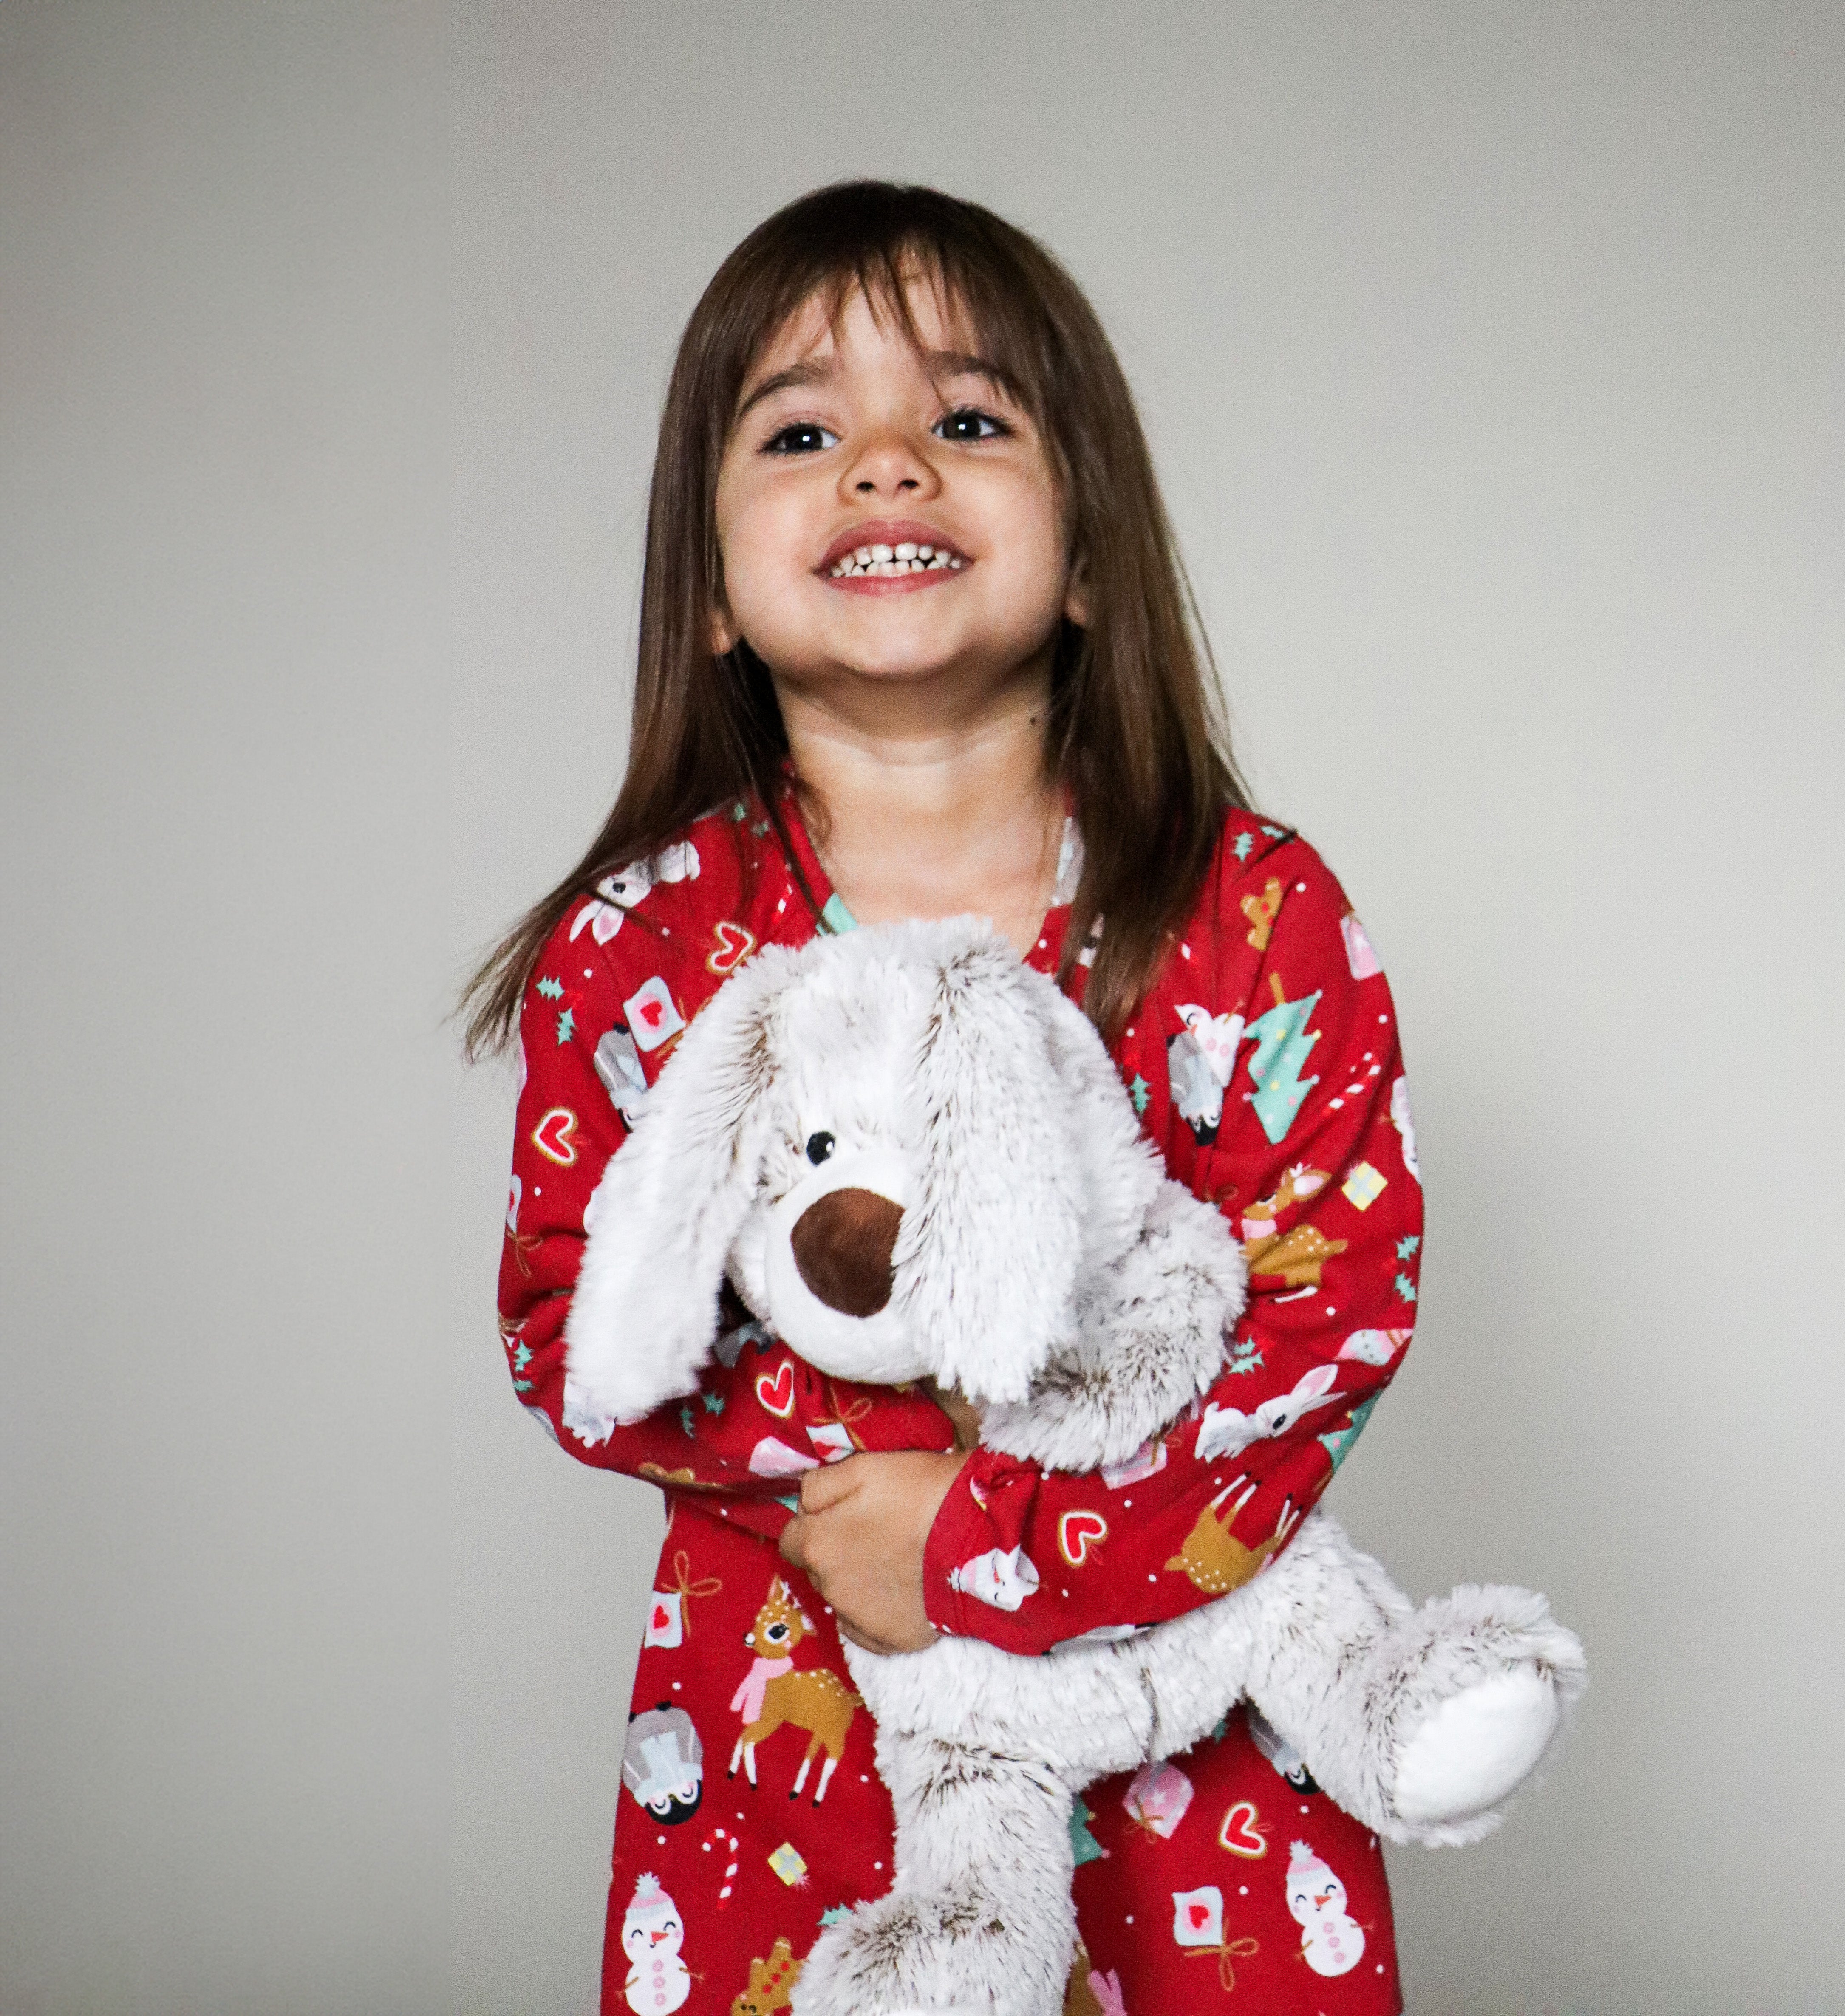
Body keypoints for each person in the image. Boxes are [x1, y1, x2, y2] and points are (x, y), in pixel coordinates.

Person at [465, 181, 1423, 2015]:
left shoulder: (1249, 914)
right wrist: (886, 1514)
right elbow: (573, 1315)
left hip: (1187, 1722)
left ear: (1086, 554)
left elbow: (1332, 1313)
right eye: (800, 432)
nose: (887, 463)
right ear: (712, 588)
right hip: (805, 1705)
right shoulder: (643, 948)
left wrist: (995, 1541)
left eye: (968, 420)